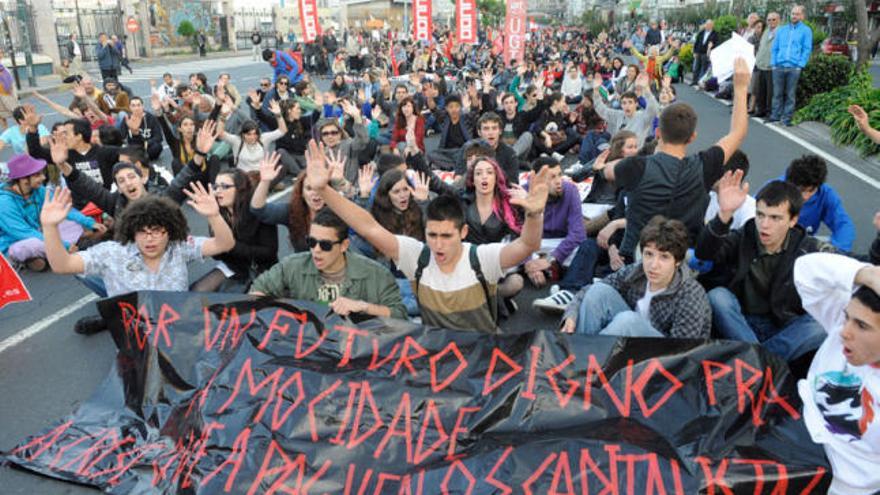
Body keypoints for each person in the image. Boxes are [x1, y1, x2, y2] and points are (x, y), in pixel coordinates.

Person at [307, 139, 552, 333]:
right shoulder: (417, 256)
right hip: (435, 352)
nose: (438, 244)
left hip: (480, 351)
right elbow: (367, 227)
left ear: (463, 233)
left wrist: (536, 214)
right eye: (432, 235)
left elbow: (528, 243)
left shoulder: (481, 257)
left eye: (446, 236)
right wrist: (323, 190)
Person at [607, 58, 751, 263]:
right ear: (693, 137)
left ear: (658, 132)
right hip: (680, 262)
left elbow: (607, 170)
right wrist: (741, 87)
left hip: (637, 260)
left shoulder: (636, 165)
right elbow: (738, 132)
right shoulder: (704, 166)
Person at [39, 186, 234, 334]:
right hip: (134, 337)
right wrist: (50, 228)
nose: (150, 238)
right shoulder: (112, 253)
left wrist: (215, 216)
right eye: (142, 232)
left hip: (175, 330)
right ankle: (108, 318)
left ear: (171, 231)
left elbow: (224, 244)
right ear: (131, 231)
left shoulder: (180, 247)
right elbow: (62, 265)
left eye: (157, 231)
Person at [697, 176, 835, 362]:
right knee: (718, 296)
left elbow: (852, 263)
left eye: (775, 218)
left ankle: (756, 360)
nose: (764, 224)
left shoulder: (808, 248)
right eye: (760, 215)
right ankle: (766, 363)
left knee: (821, 325)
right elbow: (705, 253)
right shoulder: (745, 235)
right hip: (740, 320)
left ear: (793, 220)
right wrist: (724, 214)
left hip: (781, 325)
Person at [793, 253, 880, 495]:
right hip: (790, 437)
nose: (844, 332)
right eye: (846, 317)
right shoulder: (841, 333)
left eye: (862, 326)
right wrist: (869, 275)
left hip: (836, 484)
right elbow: (806, 271)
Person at [559, 216, 711, 338]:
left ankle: (588, 362)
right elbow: (589, 291)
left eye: (664, 257)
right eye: (649, 254)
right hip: (626, 342)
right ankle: (579, 352)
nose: (653, 265)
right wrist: (572, 314)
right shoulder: (637, 271)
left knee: (627, 321)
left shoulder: (690, 294)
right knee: (598, 291)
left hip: (662, 358)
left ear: (677, 261)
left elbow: (682, 352)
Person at [251, 206, 406, 319]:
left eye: (325, 245)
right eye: (311, 242)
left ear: (344, 246)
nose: (316, 250)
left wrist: (363, 307)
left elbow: (400, 316)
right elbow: (257, 291)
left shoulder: (376, 274)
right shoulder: (292, 266)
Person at [0, 154, 105, 271]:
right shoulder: (4, 203)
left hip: (39, 231)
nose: (43, 178)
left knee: (72, 223)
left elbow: (62, 208)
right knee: (32, 244)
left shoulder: (38, 190)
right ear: (23, 179)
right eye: (37, 175)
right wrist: (63, 245)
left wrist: (89, 222)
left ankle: (43, 258)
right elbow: (24, 233)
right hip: (15, 242)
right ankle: (63, 250)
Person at [190, 168, 278, 292]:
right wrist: (216, 247)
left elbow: (269, 252)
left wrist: (232, 247)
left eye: (225, 186)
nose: (217, 192)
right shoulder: (217, 212)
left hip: (260, 268)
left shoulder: (258, 211)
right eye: (216, 187)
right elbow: (218, 256)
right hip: (232, 266)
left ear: (240, 189)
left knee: (243, 305)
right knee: (197, 291)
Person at [523, 157, 586, 288]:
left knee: (584, 248)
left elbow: (578, 233)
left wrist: (552, 258)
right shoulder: (523, 193)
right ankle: (535, 267)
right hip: (530, 244)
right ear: (537, 180)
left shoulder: (570, 190)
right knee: (504, 247)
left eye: (559, 175)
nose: (559, 182)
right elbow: (516, 234)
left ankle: (546, 266)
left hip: (558, 243)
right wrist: (530, 261)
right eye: (552, 177)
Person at [783, 154, 855, 252]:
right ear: (790, 183)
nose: (805, 196)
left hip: (802, 245)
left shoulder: (825, 194)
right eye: (801, 190)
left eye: (811, 190)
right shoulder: (774, 189)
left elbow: (843, 224)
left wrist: (838, 252)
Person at [768, 5, 812, 126]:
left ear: (802, 16)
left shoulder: (806, 30)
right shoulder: (782, 29)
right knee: (777, 93)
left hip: (794, 68)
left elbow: (806, 49)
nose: (794, 16)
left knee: (790, 95)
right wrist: (774, 63)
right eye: (792, 13)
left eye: (797, 14)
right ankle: (775, 116)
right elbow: (775, 48)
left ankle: (786, 119)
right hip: (779, 66)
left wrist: (800, 65)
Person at [593, 72, 658, 146]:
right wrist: (596, 91)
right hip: (617, 150)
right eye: (624, 103)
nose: (627, 106)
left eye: (630, 102)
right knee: (595, 139)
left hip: (633, 153)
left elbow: (653, 109)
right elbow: (602, 110)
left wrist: (646, 89)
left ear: (636, 104)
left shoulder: (643, 117)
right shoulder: (618, 114)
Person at [752, 13, 780, 119]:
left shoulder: (780, 32)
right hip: (761, 64)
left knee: (770, 92)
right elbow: (761, 47)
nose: (771, 22)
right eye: (769, 20)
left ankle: (769, 112)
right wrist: (758, 60)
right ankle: (761, 110)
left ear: (778, 20)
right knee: (761, 90)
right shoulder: (766, 32)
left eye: (773, 20)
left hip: (771, 66)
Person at [691, 20, 718, 86]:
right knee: (696, 67)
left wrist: (712, 46)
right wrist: (695, 51)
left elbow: (716, 43)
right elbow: (696, 42)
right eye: (706, 24)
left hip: (706, 53)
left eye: (709, 25)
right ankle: (694, 81)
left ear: (712, 26)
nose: (707, 26)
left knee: (704, 68)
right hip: (699, 52)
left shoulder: (715, 34)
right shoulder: (701, 32)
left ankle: (702, 82)